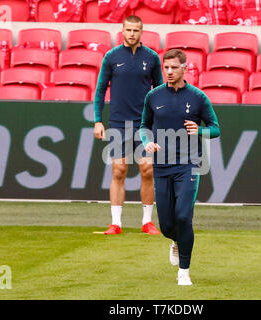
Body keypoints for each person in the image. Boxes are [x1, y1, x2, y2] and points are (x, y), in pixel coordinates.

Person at [140, 49, 220, 285]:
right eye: (166, 67)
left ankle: (184, 271)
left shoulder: (198, 97)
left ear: (185, 68)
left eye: (174, 67)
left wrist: (201, 130)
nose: (169, 72)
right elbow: (144, 125)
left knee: (184, 217)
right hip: (162, 166)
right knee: (166, 225)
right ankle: (175, 241)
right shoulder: (153, 96)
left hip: (189, 166)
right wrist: (147, 142)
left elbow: (215, 128)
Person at [93, 15, 163, 235]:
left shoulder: (152, 58)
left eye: (136, 30)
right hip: (118, 123)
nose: (132, 34)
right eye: (129, 30)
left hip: (145, 125)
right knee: (119, 170)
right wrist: (97, 120)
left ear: (142, 32)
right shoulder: (111, 57)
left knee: (148, 169)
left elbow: (160, 90)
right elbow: (100, 89)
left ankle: (147, 222)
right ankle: (116, 223)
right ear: (122, 30)